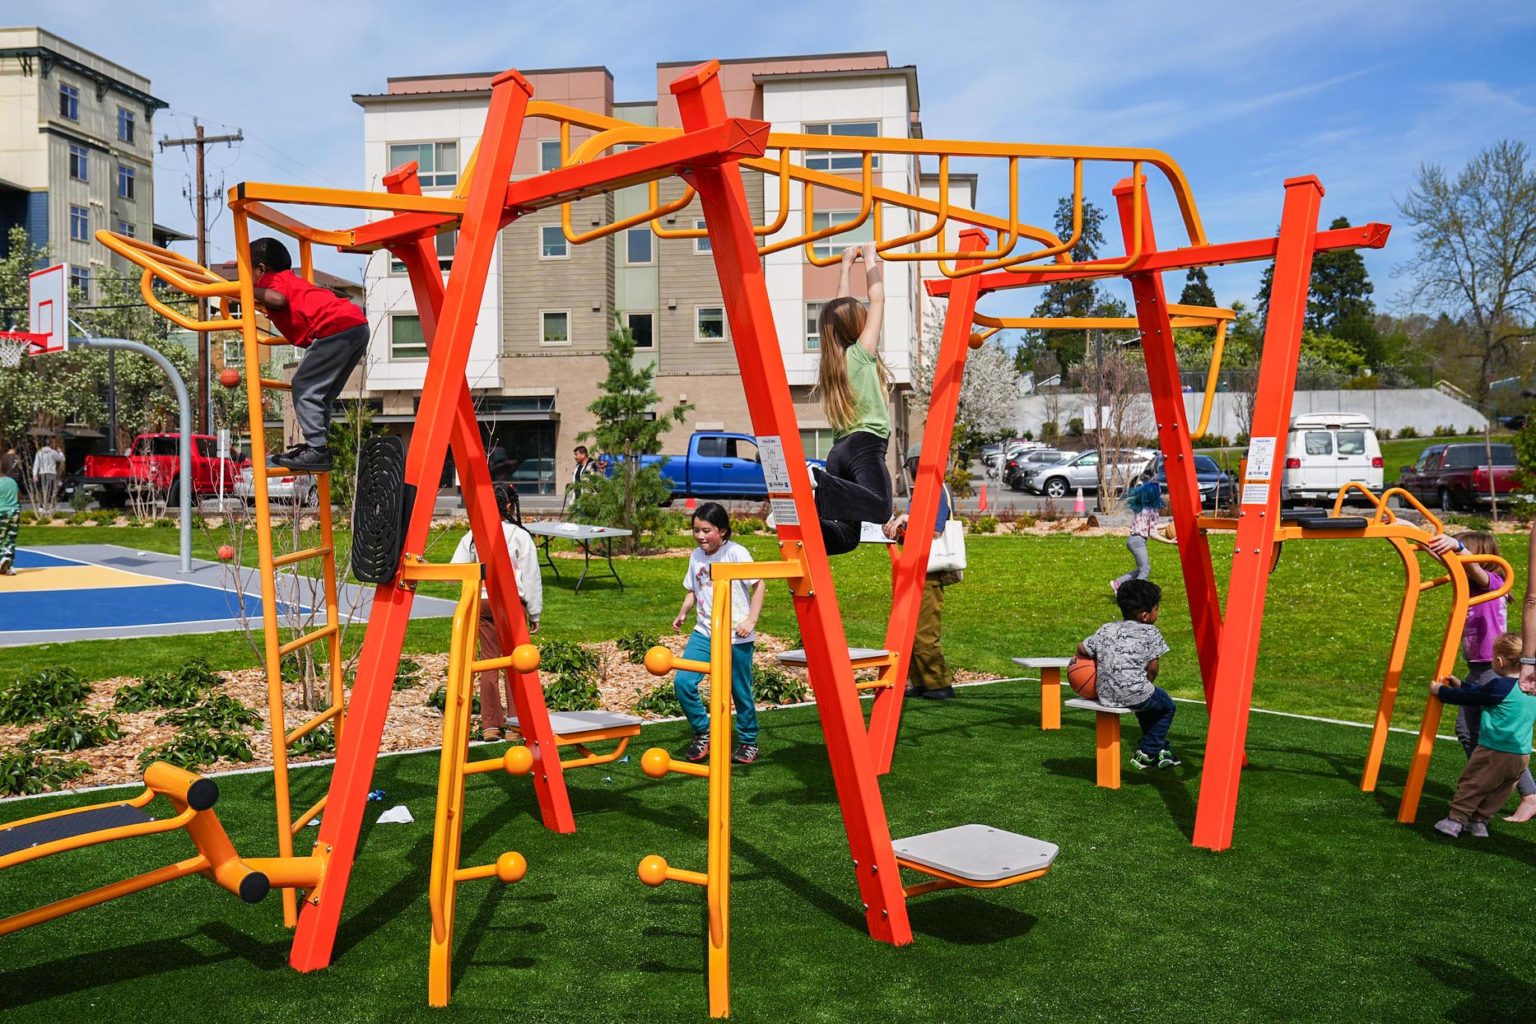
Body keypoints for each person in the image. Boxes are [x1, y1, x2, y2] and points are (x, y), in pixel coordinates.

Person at [1426, 529, 1536, 819]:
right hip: (1478, 667)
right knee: (1470, 731)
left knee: (1482, 734)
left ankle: (1524, 791)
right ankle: (1495, 781)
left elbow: (1472, 565)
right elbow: (1439, 552)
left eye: (1460, 554)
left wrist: (1459, 545)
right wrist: (1405, 527)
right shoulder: (1468, 588)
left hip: (1494, 666)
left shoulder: (1493, 583)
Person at [249, 237, 369, 473]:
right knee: (323, 393)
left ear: (261, 269)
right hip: (356, 325)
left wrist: (248, 290)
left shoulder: (272, 280)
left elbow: (278, 299)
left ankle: (317, 449)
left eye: (248, 272)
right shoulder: (293, 280)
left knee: (304, 385)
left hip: (334, 329)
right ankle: (317, 447)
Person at [810, 243, 892, 555]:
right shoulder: (860, 355)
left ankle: (806, 520)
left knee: (846, 538)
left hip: (838, 453)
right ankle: (816, 486)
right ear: (856, 326)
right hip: (864, 446)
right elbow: (878, 298)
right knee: (881, 507)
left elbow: (838, 306)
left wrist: (846, 265)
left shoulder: (831, 363)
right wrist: (870, 258)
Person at [670, 502, 765, 765]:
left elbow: (759, 584)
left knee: (739, 690)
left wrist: (751, 619)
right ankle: (703, 730)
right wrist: (683, 612)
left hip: (736, 634)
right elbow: (693, 588)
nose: (700, 536)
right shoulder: (696, 556)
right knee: (683, 682)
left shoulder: (736, 553)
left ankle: (748, 741)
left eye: (706, 530)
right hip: (705, 632)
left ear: (722, 531)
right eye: (696, 530)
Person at [450, 485, 543, 743]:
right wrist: (534, 612)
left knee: (488, 662)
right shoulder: (518, 535)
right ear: (510, 506)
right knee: (516, 661)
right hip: (510, 602)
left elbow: (455, 569)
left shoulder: (473, 536)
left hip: (481, 601)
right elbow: (531, 575)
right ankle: (516, 724)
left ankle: (491, 724)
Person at [1432, 632, 1536, 838]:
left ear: (1499, 661)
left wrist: (1441, 691)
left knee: (1473, 783)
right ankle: (1479, 822)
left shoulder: (1500, 686)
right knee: (1500, 792)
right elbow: (1483, 693)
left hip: (1493, 751)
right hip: (1521, 755)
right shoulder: (1531, 687)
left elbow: (1474, 698)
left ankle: (1455, 821)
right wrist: (1463, 685)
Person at [884, 443, 961, 700]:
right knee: (910, 629)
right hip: (918, 567)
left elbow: (934, 530)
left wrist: (907, 519)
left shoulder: (936, 490)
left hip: (929, 570)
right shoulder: (923, 492)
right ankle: (923, 682)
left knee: (924, 629)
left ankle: (939, 684)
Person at [1076, 578, 1180, 769]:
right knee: (1166, 707)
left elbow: (1082, 647)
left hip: (1105, 694)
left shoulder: (1107, 628)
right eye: (1157, 608)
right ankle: (1147, 751)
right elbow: (1153, 668)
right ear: (1145, 615)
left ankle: (1162, 749)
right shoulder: (1151, 632)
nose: (1158, 612)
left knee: (1148, 710)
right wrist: (1146, 684)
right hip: (1135, 691)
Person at [1113, 465, 1163, 592]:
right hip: (1138, 541)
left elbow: (1149, 527)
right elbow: (1153, 533)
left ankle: (1118, 583)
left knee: (1143, 568)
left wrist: (1169, 526)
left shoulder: (1141, 508)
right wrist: (1170, 542)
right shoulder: (1152, 510)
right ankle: (1139, 595)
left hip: (1133, 540)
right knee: (1144, 571)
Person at [32, 438, 64, 507]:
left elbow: (36, 464)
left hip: (42, 473)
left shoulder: (39, 453)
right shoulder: (53, 452)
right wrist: (60, 452)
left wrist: (34, 474)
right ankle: (50, 504)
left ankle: (41, 505)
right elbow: (62, 459)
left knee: (42, 489)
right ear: (50, 444)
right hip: (51, 473)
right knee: (50, 489)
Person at [0, 463, 19, 575]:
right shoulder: (12, 482)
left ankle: (2, 558)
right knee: (11, 539)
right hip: (15, 512)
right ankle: (9, 566)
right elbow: (18, 497)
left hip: (2, 511)